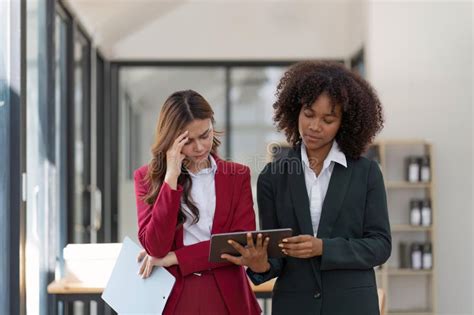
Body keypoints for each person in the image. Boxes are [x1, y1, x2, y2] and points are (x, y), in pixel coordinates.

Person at [222, 61, 391, 315]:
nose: (314, 126)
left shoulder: (366, 174)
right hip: (294, 306)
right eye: (309, 114)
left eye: (328, 119)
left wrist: (323, 247)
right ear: (295, 110)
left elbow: (380, 246)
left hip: (352, 307)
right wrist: (260, 264)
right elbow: (276, 258)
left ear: (345, 122)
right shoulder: (272, 177)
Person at [133, 90, 261, 315]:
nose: (200, 147)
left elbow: (239, 242)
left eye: (205, 135)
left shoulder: (238, 175)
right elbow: (155, 247)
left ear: (212, 126)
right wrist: (171, 177)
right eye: (188, 141)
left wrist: (175, 258)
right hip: (174, 298)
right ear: (171, 139)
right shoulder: (146, 178)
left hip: (228, 299)